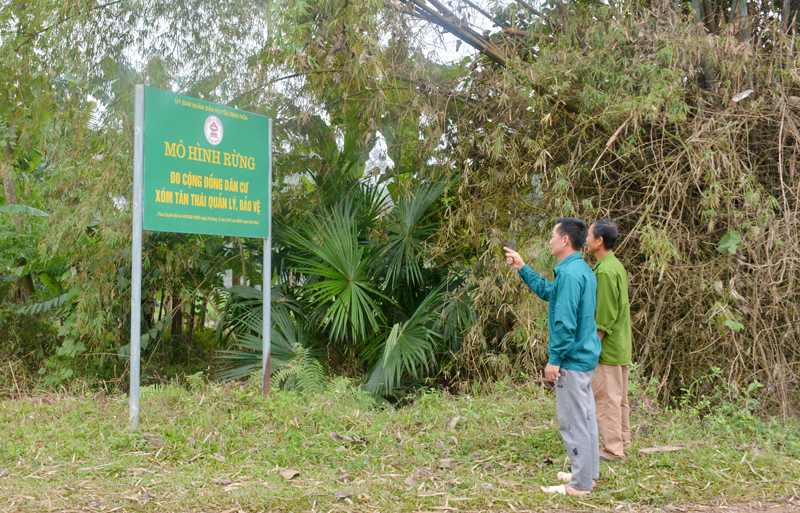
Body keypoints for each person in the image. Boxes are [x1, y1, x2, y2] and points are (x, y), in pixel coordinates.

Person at [503, 217, 601, 497]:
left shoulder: (571, 275)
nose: (549, 241)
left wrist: (554, 359)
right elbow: (549, 292)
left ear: (565, 240)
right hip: (585, 355)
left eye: (553, 236)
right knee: (586, 417)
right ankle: (588, 475)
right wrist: (522, 267)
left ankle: (580, 486)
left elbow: (565, 323)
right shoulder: (578, 270)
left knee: (571, 421)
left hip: (572, 358)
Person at [586, 219, 632, 462]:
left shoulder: (604, 270)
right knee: (619, 398)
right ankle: (622, 441)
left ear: (599, 240)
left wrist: (593, 345)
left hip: (608, 346)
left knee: (606, 400)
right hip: (620, 344)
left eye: (589, 235)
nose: (586, 239)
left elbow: (605, 314)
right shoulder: (614, 265)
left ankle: (613, 449)